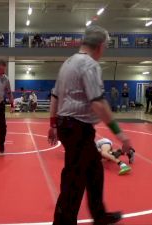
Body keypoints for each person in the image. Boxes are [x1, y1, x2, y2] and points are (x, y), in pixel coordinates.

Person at [48, 26, 131, 225]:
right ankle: (63, 221)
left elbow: (55, 95)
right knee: (74, 180)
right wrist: (120, 134)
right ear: (101, 46)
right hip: (78, 128)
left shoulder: (68, 63)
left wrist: (53, 125)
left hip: (68, 125)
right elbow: (98, 103)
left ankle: (99, 215)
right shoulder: (90, 65)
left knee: (95, 171)